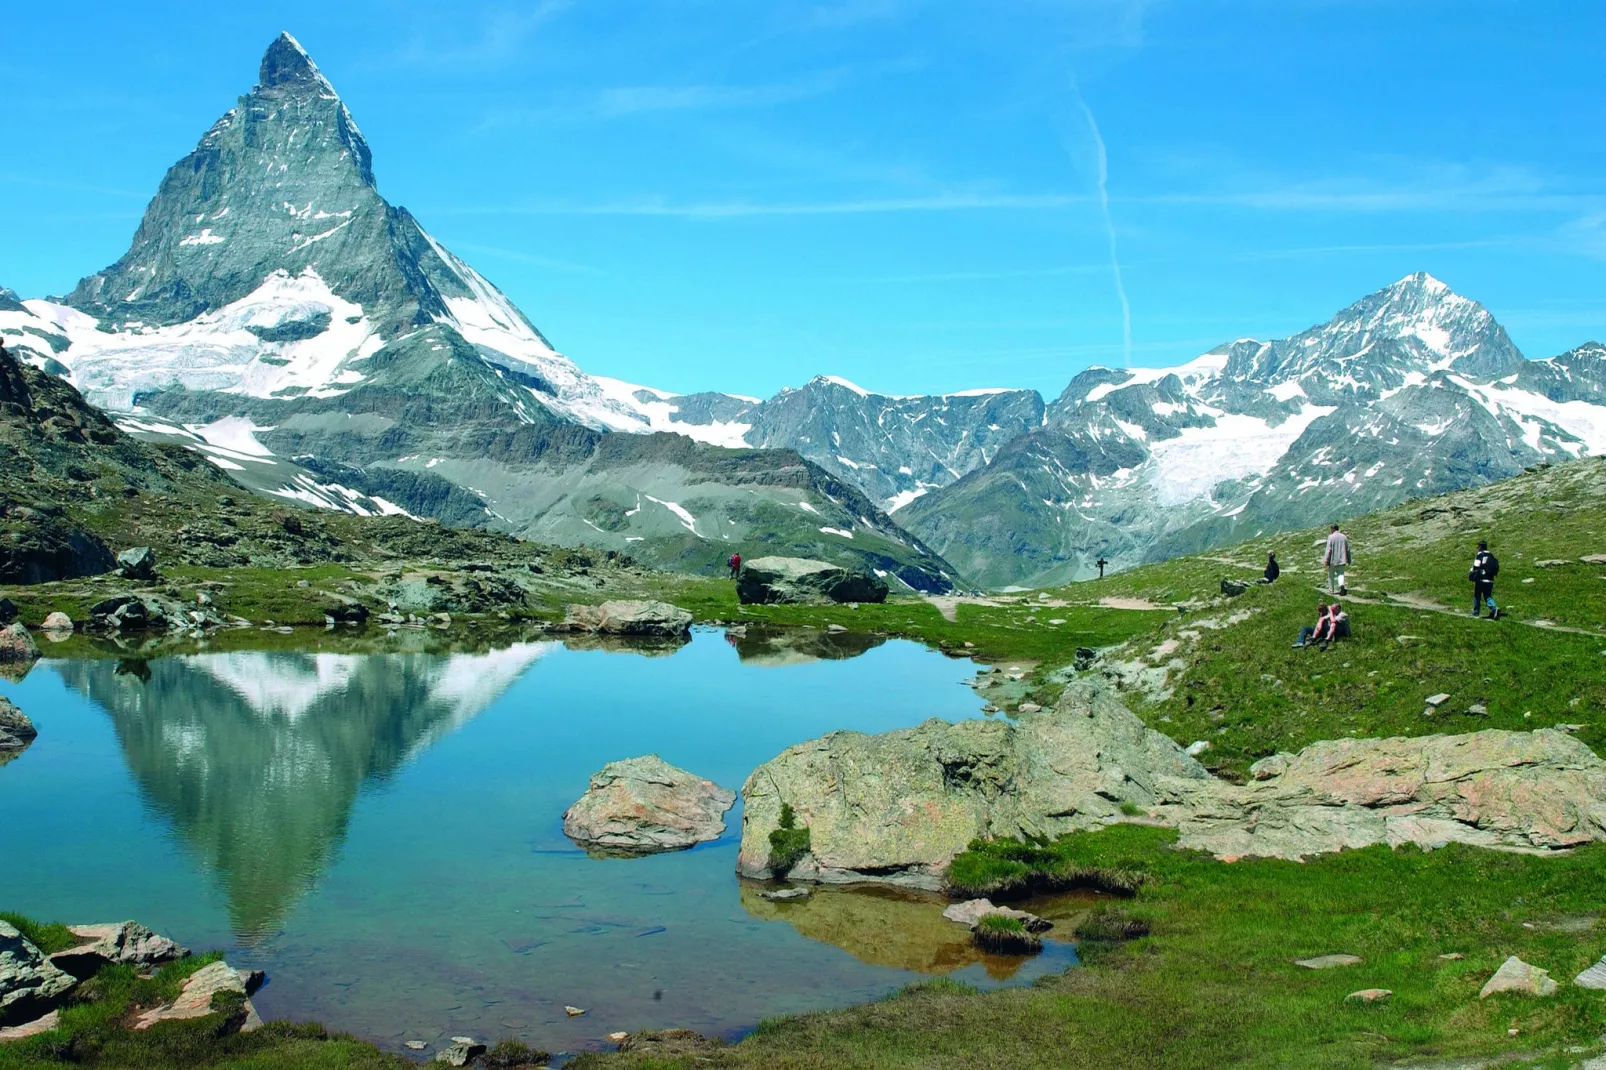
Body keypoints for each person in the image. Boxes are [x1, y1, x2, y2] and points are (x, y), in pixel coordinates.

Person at [1469, 540, 1500, 619]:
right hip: (1490, 579)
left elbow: (1476, 565)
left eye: (1478, 546)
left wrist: (1472, 571)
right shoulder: (1491, 554)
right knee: (1487, 595)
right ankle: (1494, 608)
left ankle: (1476, 612)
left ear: (1480, 547)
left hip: (1481, 578)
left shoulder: (1480, 554)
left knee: (1477, 595)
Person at [1323, 523, 1350, 596]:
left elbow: (1329, 549)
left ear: (1333, 529)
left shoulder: (1330, 537)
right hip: (1342, 559)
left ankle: (1331, 590)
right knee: (1340, 574)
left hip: (1332, 559)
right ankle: (1341, 585)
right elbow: (1347, 549)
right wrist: (1349, 559)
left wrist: (1326, 559)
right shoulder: (1344, 537)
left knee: (1331, 575)